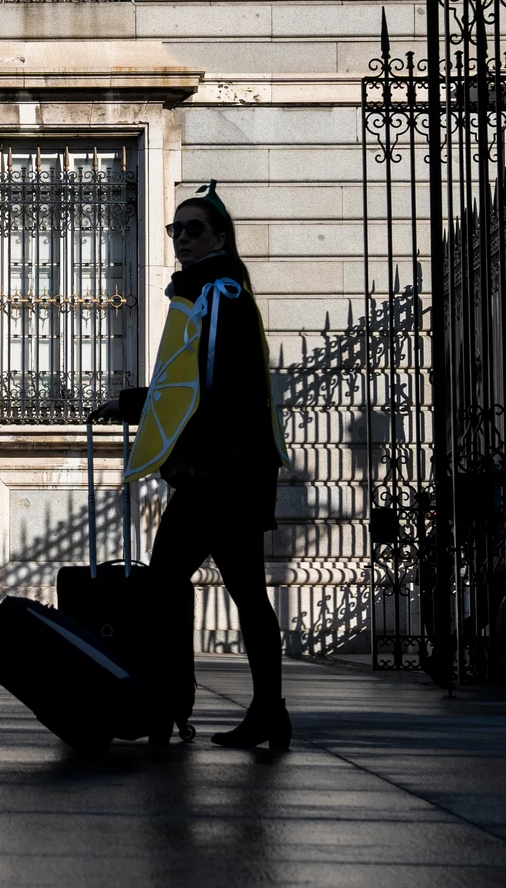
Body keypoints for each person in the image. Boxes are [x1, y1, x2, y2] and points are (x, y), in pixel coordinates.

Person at [92, 183, 294, 750]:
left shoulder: (218, 292)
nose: (181, 238)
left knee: (163, 588)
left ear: (220, 237)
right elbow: (184, 379)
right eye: (174, 230)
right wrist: (132, 403)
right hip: (230, 471)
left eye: (194, 229)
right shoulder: (206, 291)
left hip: (217, 474)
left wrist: (197, 460)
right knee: (245, 594)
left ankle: (162, 704)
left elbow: (214, 385)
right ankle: (265, 711)